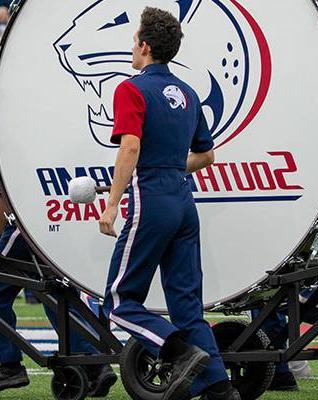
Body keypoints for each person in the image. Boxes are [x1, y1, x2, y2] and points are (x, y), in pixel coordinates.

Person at [0, 81, 116, 395]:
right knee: (57, 297)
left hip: (22, 229)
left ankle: (10, 366)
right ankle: (94, 362)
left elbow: (4, 194)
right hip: (40, 226)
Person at [96, 8, 234, 400]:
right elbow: (206, 156)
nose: (131, 48)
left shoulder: (131, 88)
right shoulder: (188, 93)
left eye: (134, 40)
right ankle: (220, 390)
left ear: (143, 45)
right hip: (183, 200)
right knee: (188, 307)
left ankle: (179, 353)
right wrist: (171, 165)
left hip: (151, 198)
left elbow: (131, 145)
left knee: (120, 303)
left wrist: (111, 203)